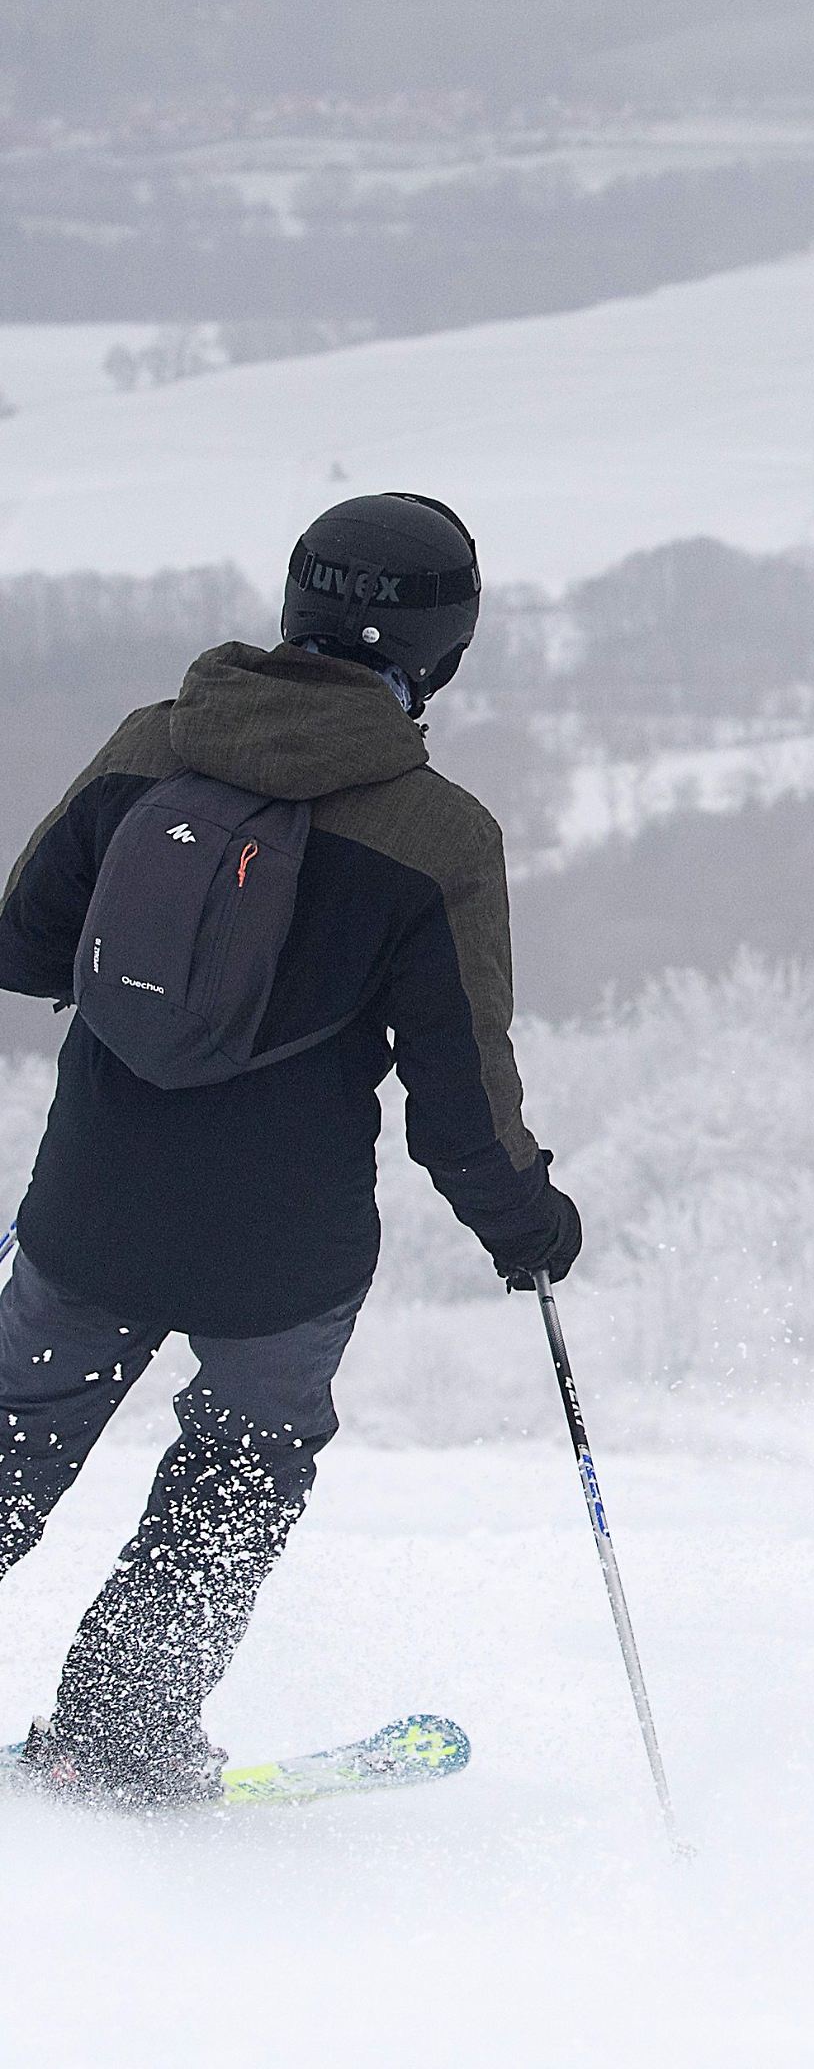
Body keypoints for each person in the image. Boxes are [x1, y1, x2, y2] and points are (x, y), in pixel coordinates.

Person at [0, 493, 581, 1804]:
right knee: (238, 1464)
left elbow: (22, 942)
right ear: (443, 647)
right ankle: (117, 1736)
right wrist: (527, 1228)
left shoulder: (153, 747)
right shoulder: (437, 838)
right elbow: (458, 1103)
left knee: (15, 1427)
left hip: (90, 1198)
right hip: (282, 1251)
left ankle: (111, 1729)